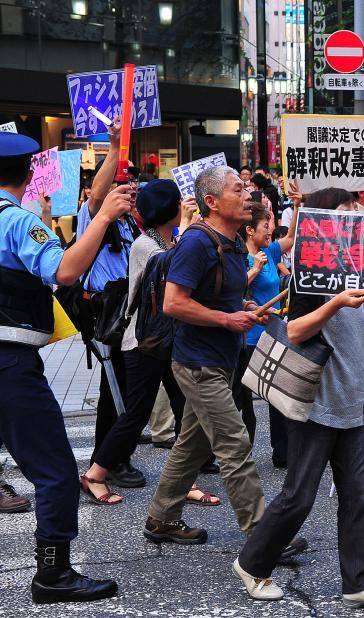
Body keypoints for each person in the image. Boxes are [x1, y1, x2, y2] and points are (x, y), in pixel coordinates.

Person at [233, 187, 364, 611]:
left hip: (351, 403)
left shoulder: (356, 266)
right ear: (325, 222)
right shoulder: (313, 272)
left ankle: (359, 582)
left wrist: (361, 335)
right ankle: (251, 564)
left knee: (356, 496)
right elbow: (294, 331)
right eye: (348, 211)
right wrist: (336, 305)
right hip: (315, 404)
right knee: (299, 496)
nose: (358, 217)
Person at [144, 166, 305, 563]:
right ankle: (263, 537)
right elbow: (173, 303)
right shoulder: (197, 243)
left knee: (191, 445)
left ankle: (161, 518)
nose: (249, 194)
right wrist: (227, 320)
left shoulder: (231, 243)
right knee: (235, 445)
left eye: (248, 187)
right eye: (239, 189)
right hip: (198, 363)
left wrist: (246, 308)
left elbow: (224, 296)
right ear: (212, 202)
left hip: (221, 358)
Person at [0, 131, 128, 602]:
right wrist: (107, 215)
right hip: (9, 363)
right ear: (31, 173)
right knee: (54, 470)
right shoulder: (15, 221)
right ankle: (53, 575)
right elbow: (66, 270)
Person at [79, 181, 218, 506]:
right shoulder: (145, 244)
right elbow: (172, 268)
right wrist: (186, 227)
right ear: (169, 211)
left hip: (169, 339)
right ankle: (95, 474)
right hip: (142, 342)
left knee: (186, 410)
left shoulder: (170, 239)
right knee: (135, 414)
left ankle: (185, 480)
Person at [76, 120, 144, 490]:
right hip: (104, 313)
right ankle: (111, 460)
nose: (129, 185)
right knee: (117, 386)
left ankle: (114, 454)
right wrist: (115, 146)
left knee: (120, 384)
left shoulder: (130, 225)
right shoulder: (95, 217)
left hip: (126, 313)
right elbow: (99, 195)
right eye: (123, 179)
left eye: (133, 179)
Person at [231, 185, 299, 469]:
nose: (271, 230)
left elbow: (292, 238)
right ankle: (236, 455)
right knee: (242, 400)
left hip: (272, 334)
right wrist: (254, 269)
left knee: (278, 396)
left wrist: (298, 205)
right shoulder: (239, 256)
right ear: (249, 230)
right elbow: (233, 290)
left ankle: (282, 453)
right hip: (248, 337)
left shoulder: (269, 251)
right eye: (265, 226)